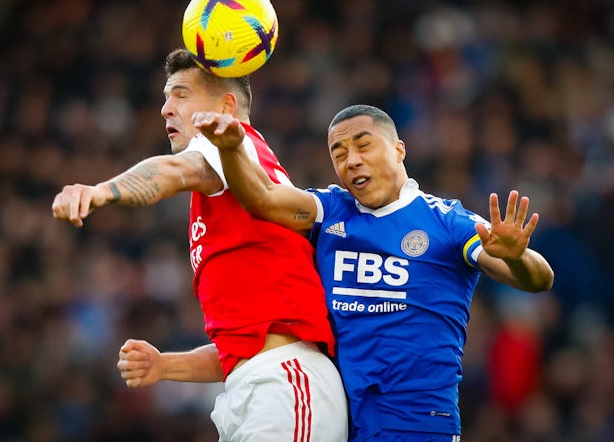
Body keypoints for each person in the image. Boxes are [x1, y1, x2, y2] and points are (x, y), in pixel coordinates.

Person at [193, 104, 555, 442]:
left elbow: (539, 279)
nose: (352, 161)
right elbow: (263, 199)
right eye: (339, 154)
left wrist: (518, 256)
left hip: (418, 423)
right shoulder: (331, 211)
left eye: (363, 146)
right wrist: (231, 147)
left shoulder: (448, 222)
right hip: (343, 422)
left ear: (399, 150)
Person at [51, 48, 348, 442]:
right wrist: (164, 366)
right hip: (260, 385)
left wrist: (103, 191)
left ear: (226, 106)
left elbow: (173, 170)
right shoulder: (231, 185)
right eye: (165, 97)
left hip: (284, 383)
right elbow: (244, 345)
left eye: (180, 94)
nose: (165, 109)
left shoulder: (232, 149)